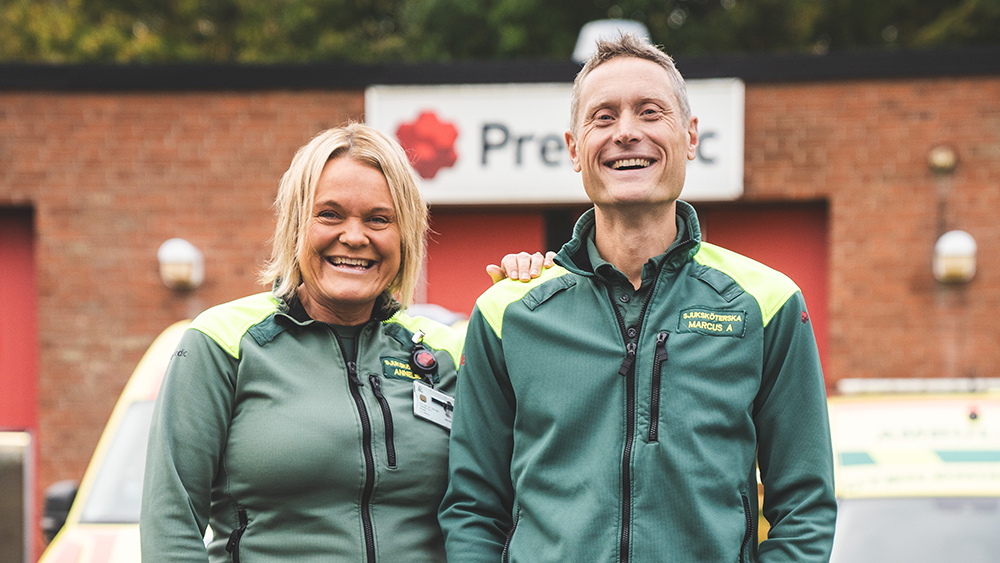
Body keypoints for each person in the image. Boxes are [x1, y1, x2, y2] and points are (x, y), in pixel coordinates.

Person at [439, 34, 837, 563]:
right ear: (574, 149)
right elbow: (473, 508)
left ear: (690, 136)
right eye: (603, 117)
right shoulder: (506, 314)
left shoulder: (767, 304)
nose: (627, 132)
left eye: (650, 112)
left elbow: (805, 507)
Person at [140, 123, 549, 562]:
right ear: (297, 224)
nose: (355, 237)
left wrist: (537, 301)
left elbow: (523, 482)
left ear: (405, 235)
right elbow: (171, 524)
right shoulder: (222, 343)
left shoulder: (446, 352)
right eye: (330, 214)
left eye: (378, 219)